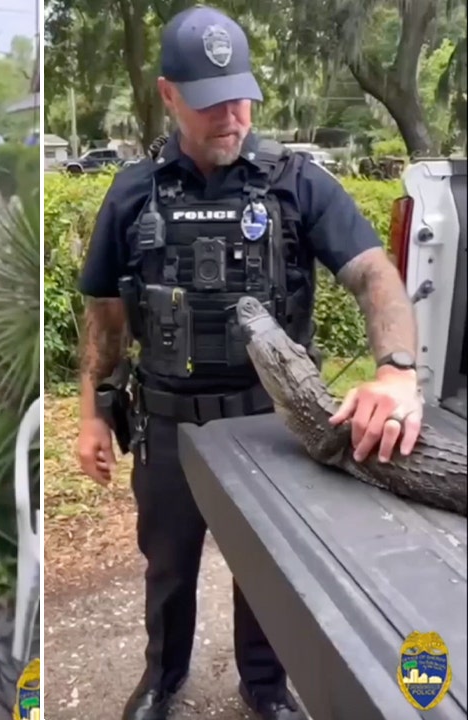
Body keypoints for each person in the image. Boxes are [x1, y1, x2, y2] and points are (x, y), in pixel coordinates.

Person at [74, 7, 422, 720]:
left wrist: (396, 369)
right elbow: (106, 316)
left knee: (268, 574)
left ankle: (265, 687)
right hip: (169, 428)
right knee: (167, 570)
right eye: (210, 101)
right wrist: (90, 414)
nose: (233, 115)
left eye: (242, 95)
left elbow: (375, 276)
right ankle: (163, 679)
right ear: (169, 94)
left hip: (273, 425)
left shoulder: (297, 183)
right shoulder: (133, 192)